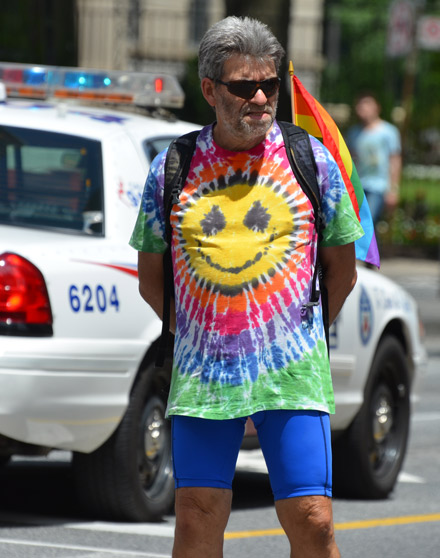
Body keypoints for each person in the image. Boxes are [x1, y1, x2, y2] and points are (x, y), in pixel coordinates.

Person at [130, 16, 363, 558]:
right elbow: (151, 278)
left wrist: (291, 336)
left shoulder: (313, 161)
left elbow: (342, 271)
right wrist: (210, 333)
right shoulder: (174, 166)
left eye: (270, 84)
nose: (260, 97)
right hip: (204, 376)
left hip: (293, 374)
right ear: (210, 89)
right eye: (243, 86)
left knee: (312, 520)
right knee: (195, 518)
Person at [347, 93, 402, 224]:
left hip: (379, 186)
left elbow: (395, 160)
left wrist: (393, 189)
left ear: (377, 107)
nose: (363, 108)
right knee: (357, 225)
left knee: (367, 222)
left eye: (367, 104)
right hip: (358, 185)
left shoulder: (388, 131)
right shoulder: (354, 133)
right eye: (359, 105)